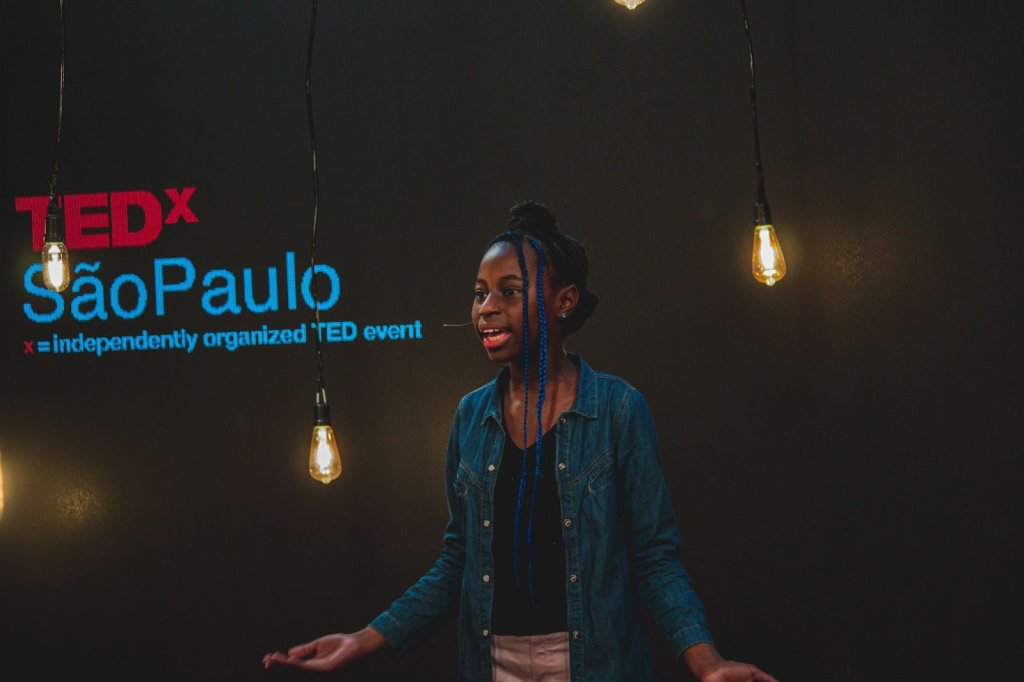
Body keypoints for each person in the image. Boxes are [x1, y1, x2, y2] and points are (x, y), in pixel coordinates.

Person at [264, 202, 778, 682]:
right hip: (492, 665)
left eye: (509, 291)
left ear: (564, 302)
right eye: (479, 292)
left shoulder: (618, 409)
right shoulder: (470, 417)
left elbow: (654, 558)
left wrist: (708, 663)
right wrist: (364, 639)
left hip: (595, 662)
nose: (486, 308)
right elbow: (457, 562)